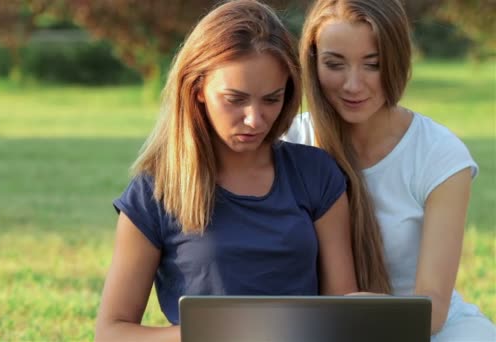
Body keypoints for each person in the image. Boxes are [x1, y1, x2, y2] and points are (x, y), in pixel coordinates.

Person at [95, 1, 359, 341]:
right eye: (235, 99)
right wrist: (213, 334)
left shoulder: (316, 174)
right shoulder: (154, 192)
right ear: (197, 89)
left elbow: (342, 310)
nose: (255, 119)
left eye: (271, 99)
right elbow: (112, 332)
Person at [283, 0, 496, 340]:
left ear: (397, 60)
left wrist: (366, 316)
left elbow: (434, 304)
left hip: (422, 327)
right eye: (334, 64)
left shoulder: (439, 155)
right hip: (316, 327)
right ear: (312, 62)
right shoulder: (289, 142)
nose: (353, 85)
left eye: (373, 64)